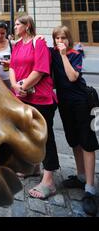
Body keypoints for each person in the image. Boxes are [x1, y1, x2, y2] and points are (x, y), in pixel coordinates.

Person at [9, 15, 59, 199]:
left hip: (41, 98)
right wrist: (15, 86)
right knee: (28, 134)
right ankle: (33, 167)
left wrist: (23, 86)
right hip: (22, 96)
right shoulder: (18, 45)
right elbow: (12, 67)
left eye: (17, 24)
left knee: (45, 137)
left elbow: (40, 70)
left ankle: (49, 181)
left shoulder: (39, 43)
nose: (14, 27)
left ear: (27, 25)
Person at [50, 26, 98, 216]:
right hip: (65, 103)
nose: (60, 41)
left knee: (87, 143)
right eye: (57, 38)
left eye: (63, 38)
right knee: (74, 141)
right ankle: (80, 176)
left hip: (81, 102)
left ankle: (90, 189)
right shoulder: (52, 53)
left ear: (69, 39)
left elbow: (72, 77)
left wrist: (63, 55)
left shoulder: (75, 54)